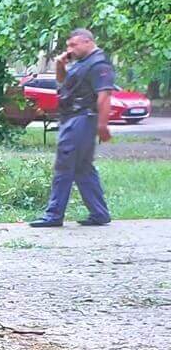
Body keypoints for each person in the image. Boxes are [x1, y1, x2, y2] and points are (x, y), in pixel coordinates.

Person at [29, 29, 115, 227]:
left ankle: (53, 215)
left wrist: (103, 125)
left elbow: (104, 95)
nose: (70, 49)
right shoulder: (82, 63)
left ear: (88, 41)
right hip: (73, 118)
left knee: (64, 165)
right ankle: (100, 213)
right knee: (83, 168)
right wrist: (60, 64)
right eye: (68, 45)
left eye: (74, 45)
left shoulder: (99, 64)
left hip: (82, 118)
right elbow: (63, 82)